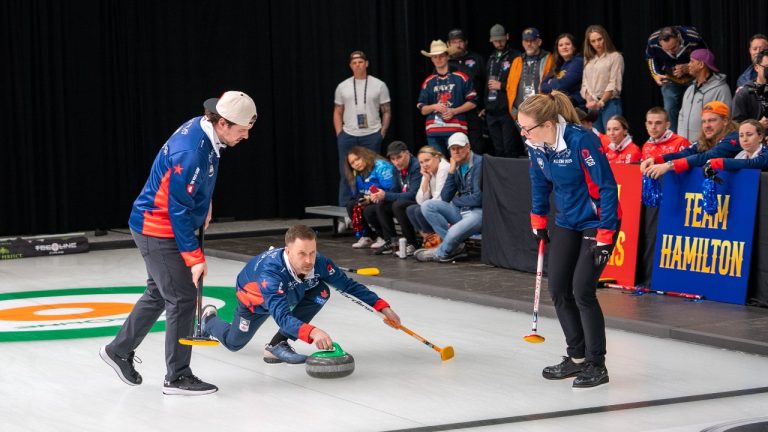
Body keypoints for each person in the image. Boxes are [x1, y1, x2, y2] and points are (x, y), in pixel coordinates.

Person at [100, 91, 258, 396]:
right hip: (157, 228)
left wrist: (206, 202)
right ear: (223, 122)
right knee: (183, 298)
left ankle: (118, 350)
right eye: (242, 130)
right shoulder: (191, 151)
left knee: (159, 292)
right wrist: (194, 257)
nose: (246, 136)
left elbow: (196, 183)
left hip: (161, 224)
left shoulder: (206, 130)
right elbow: (177, 210)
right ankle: (177, 377)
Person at [521, 91, 620, 389]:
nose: (523, 134)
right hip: (567, 220)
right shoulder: (536, 145)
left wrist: (606, 235)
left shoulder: (581, 140)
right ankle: (576, 357)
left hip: (595, 221)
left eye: (527, 128)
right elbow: (539, 182)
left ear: (549, 123)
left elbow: (606, 187)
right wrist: (538, 218)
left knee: (582, 290)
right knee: (559, 288)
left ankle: (596, 363)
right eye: (521, 128)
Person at [200, 225, 401, 363]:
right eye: (302, 254)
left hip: (288, 290)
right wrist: (312, 332)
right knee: (234, 343)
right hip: (255, 301)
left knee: (321, 290)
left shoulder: (319, 262)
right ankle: (208, 319)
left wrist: (382, 307)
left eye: (312, 252)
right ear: (288, 251)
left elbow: (348, 285)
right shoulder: (270, 275)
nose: (309, 260)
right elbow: (282, 317)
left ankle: (276, 345)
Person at [334, 51, 392, 211]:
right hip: (348, 135)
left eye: (360, 62)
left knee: (372, 171)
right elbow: (338, 111)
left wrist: (382, 132)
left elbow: (386, 110)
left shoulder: (379, 85)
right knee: (346, 173)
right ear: (350, 66)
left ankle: (371, 208)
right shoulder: (342, 86)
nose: (357, 65)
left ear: (366, 63)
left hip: (372, 134)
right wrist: (340, 133)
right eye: (354, 63)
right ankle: (345, 213)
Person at [415, 132, 482, 263]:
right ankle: (454, 248)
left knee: (453, 231)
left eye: (460, 147)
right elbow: (445, 198)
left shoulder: (479, 163)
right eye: (453, 148)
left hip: (478, 212)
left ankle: (441, 253)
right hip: (462, 210)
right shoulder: (455, 166)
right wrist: (451, 171)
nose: (456, 151)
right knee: (427, 205)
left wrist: (456, 201)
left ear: (468, 147)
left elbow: (478, 199)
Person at [642, 101, 740, 179]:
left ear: (725, 121)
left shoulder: (735, 137)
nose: (707, 126)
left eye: (712, 120)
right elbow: (686, 153)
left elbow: (708, 156)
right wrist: (656, 159)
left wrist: (669, 165)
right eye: (704, 121)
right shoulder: (706, 139)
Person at [417, 40, 477, 156]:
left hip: (456, 129)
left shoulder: (461, 77)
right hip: (434, 130)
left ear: (447, 57)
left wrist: (453, 111)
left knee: (459, 163)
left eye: (441, 56)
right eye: (435, 57)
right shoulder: (428, 82)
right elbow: (422, 109)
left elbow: (473, 102)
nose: (438, 59)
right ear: (431, 59)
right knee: (438, 166)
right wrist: (434, 106)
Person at [644, 26, 705, 132]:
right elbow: (650, 58)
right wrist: (656, 74)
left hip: (693, 78)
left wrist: (688, 67)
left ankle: (697, 135)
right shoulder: (652, 40)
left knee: (694, 108)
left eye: (674, 47)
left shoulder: (692, 37)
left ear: (678, 38)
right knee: (670, 109)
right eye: (666, 49)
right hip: (670, 78)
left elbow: (705, 57)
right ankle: (674, 138)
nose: (671, 52)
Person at [370, 141, 423, 256]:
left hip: (420, 200)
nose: (396, 162)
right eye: (393, 159)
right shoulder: (395, 168)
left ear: (407, 153)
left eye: (399, 157)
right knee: (381, 204)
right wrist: (380, 195)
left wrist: (387, 195)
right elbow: (394, 189)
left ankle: (412, 243)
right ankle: (391, 241)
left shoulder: (416, 166)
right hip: (404, 199)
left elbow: (413, 194)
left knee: (398, 205)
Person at [343, 146, 395, 249]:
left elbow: (390, 189)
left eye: (357, 159)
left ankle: (384, 236)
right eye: (352, 163)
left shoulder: (381, 166)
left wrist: (369, 199)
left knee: (369, 210)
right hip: (372, 198)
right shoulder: (358, 173)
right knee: (352, 205)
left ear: (365, 156)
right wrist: (363, 200)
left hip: (387, 198)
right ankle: (367, 236)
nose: (356, 164)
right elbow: (359, 193)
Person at [677, 48, 732, 142]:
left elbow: (725, 119)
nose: (688, 65)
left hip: (708, 147)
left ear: (701, 64)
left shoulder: (721, 89)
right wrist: (681, 140)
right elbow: (681, 115)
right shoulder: (690, 89)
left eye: (691, 61)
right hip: (686, 148)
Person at [485, 24, 522, 157]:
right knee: (498, 149)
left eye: (501, 40)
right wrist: (485, 105)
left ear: (507, 37)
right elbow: (486, 84)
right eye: (495, 41)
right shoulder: (491, 58)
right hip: (491, 110)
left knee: (509, 148)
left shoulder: (516, 56)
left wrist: (501, 85)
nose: (499, 43)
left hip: (507, 110)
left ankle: (513, 177)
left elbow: (519, 83)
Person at [447, 28, 487, 154]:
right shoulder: (445, 62)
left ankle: (477, 173)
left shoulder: (477, 59)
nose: (457, 45)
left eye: (460, 42)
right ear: (448, 44)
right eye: (454, 42)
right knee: (456, 149)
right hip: (453, 115)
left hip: (474, 112)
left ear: (466, 42)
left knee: (476, 147)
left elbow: (486, 83)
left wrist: (485, 107)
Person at [581, 25, 624, 133]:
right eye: (593, 41)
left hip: (610, 103)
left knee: (612, 137)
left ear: (605, 38)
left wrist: (601, 102)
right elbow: (585, 83)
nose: (597, 44)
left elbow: (613, 83)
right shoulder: (588, 59)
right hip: (593, 105)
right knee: (596, 138)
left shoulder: (615, 57)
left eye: (599, 39)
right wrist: (589, 100)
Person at [407, 146, 451, 249]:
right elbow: (420, 200)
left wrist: (426, 205)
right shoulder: (428, 171)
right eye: (421, 162)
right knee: (411, 209)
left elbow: (440, 198)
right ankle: (431, 239)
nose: (424, 165)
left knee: (419, 210)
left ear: (436, 157)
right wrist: (426, 178)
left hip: (450, 205)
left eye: (427, 160)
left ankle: (438, 241)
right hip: (438, 205)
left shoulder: (444, 168)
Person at [506, 27, 553, 121]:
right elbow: (510, 86)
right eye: (526, 41)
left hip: (542, 113)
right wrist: (514, 111)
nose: (529, 44)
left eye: (532, 40)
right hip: (520, 113)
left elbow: (552, 85)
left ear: (539, 42)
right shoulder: (517, 61)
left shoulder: (549, 59)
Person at [541, 33, 586, 111]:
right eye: (561, 45)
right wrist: (555, 84)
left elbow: (563, 85)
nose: (564, 47)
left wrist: (551, 82)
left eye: (567, 44)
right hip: (559, 104)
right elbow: (542, 86)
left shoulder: (578, 61)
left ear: (574, 47)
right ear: (557, 49)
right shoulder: (557, 64)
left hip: (576, 107)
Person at [732, 49, 768, 124]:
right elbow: (736, 125)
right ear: (756, 67)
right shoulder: (744, 94)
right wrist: (759, 125)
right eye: (767, 67)